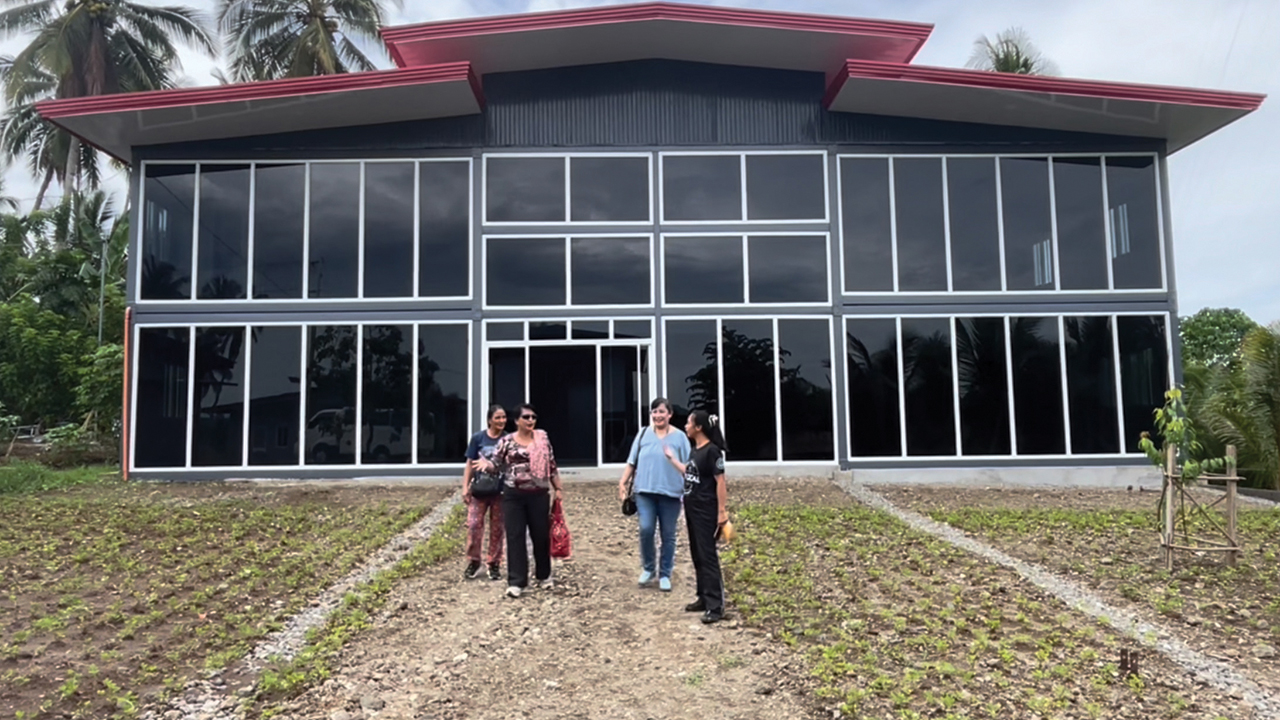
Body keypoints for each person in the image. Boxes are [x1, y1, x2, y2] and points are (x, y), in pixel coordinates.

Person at [480, 403, 564, 598]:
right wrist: (486, 465)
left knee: (541, 535)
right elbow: (496, 464)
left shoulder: (542, 440)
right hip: (513, 496)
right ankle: (517, 582)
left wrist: (558, 488)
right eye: (526, 417)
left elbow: (551, 465)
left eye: (533, 417)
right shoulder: (507, 442)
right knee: (515, 536)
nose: (530, 421)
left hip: (538, 494)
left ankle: (544, 576)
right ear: (517, 421)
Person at [617, 398, 690, 592]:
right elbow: (632, 462)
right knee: (646, 528)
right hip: (644, 492)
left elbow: (690, 468)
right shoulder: (642, 434)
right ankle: (648, 568)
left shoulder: (680, 437)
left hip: (671, 493)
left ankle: (665, 574)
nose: (657, 415)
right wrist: (623, 481)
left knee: (668, 535)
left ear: (670, 414)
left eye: (661, 412)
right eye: (654, 412)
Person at [662, 409, 728, 624]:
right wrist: (672, 459)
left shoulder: (712, 452)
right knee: (697, 553)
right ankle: (703, 596)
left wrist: (722, 512)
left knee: (707, 555)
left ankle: (715, 605)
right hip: (692, 508)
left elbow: (720, 482)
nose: (686, 426)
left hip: (706, 510)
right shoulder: (695, 450)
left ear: (699, 427)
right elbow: (690, 473)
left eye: (689, 422)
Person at [462, 404, 507, 581]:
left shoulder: (508, 439)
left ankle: (494, 563)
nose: (502, 421)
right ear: (490, 420)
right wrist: (465, 487)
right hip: (479, 490)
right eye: (498, 418)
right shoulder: (478, 438)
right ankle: (474, 561)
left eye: (504, 417)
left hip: (500, 491)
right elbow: (469, 463)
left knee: (497, 529)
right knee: (474, 526)